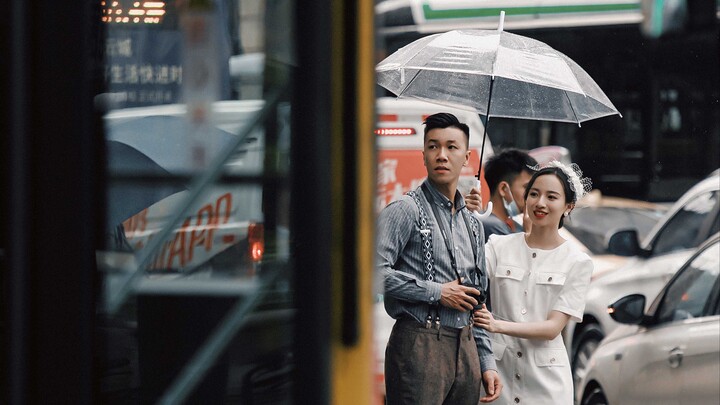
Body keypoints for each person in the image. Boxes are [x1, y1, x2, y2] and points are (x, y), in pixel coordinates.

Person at [376, 112, 502, 405]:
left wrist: (486, 361)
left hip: (467, 346)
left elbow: (477, 300)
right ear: (424, 155)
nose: (441, 155)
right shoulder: (405, 210)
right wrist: (438, 292)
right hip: (418, 345)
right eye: (433, 147)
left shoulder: (473, 223)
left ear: (467, 157)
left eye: (451, 147)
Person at [472, 161, 594, 405]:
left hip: (547, 384)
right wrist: (465, 217)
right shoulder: (497, 246)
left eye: (552, 197)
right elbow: (467, 276)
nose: (540, 203)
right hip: (498, 376)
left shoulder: (578, 261)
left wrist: (497, 326)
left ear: (568, 206)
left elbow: (552, 328)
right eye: (534, 194)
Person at [465, 149, 538, 241]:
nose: (533, 195)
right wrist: (530, 234)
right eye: (527, 188)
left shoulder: (505, 224)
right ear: (503, 189)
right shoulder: (493, 226)